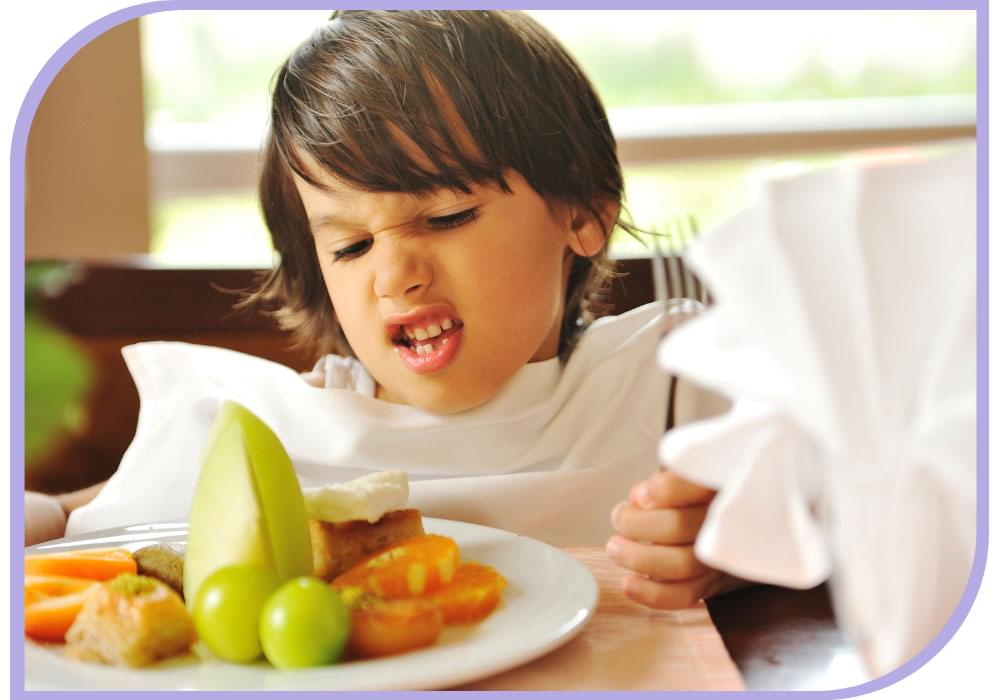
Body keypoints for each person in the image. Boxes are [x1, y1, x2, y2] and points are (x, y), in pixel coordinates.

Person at [26, 10, 730, 610]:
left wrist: (730, 554)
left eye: (448, 216)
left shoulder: (666, 386)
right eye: (354, 245)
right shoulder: (285, 427)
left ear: (582, 213)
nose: (396, 276)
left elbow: (816, 514)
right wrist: (47, 512)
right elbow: (108, 511)